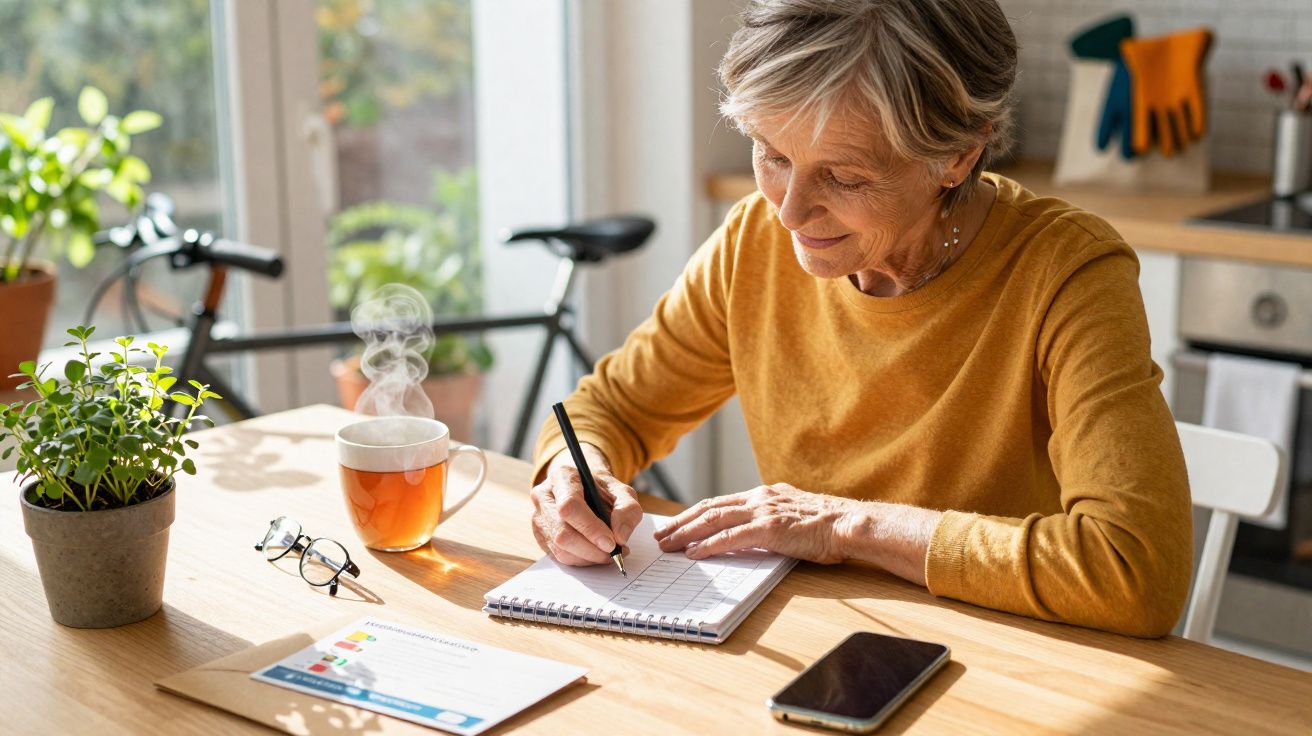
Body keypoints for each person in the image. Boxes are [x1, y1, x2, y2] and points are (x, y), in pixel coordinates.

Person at [528, 0, 1191, 638]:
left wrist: (843, 525)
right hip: (817, 639)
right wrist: (572, 476)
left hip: (1001, 661)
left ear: (958, 156)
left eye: (843, 177)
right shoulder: (752, 243)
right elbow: (607, 412)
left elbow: (1135, 570)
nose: (788, 213)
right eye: (773, 155)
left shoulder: (1065, 273)